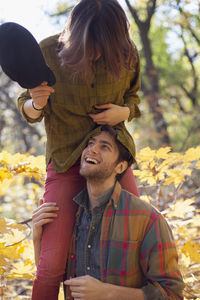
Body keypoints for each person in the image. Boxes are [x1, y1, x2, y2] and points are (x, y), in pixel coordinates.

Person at [18, 0, 141, 298]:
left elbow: (133, 98)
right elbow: (26, 106)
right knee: (51, 264)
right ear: (77, 35)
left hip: (113, 159)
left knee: (135, 241)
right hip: (65, 161)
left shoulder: (127, 54)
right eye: (91, 45)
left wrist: (122, 113)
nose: (98, 52)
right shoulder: (47, 52)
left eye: (104, 45)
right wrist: (37, 104)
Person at [32, 126, 185, 300]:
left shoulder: (147, 219)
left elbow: (172, 294)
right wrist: (38, 238)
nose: (92, 149)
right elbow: (58, 278)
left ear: (120, 166)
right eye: (90, 143)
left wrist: (107, 293)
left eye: (104, 146)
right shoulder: (71, 217)